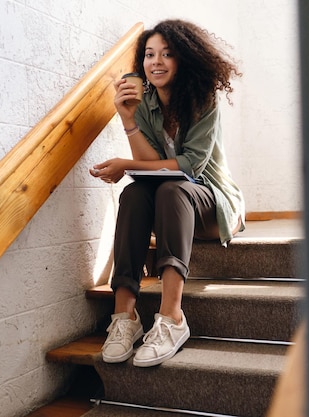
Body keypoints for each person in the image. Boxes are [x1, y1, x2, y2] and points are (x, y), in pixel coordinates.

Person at [90, 19, 245, 367]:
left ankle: (172, 317)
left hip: (214, 202)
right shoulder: (143, 102)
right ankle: (125, 316)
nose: (155, 62)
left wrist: (125, 163)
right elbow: (152, 165)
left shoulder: (203, 98)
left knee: (172, 189)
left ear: (184, 59)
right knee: (134, 193)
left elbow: (191, 166)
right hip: (169, 203)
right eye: (149, 54)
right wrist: (127, 118)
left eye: (167, 54)